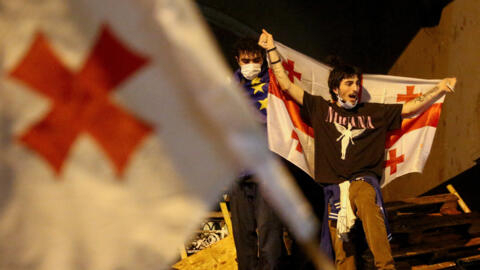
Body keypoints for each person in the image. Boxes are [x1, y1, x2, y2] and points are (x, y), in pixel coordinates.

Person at [258, 29, 456, 270]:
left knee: (366, 201)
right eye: (348, 83)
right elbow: (287, 86)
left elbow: (407, 108)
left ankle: (386, 266)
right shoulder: (320, 108)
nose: (354, 88)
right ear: (335, 88)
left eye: (356, 83)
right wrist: (271, 50)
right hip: (334, 189)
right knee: (343, 249)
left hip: (362, 180)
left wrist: (439, 89)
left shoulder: (372, 111)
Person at [229, 37, 287, 270]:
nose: (251, 64)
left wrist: (272, 49)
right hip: (237, 172)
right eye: (246, 60)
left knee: (269, 241)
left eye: (256, 59)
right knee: (244, 242)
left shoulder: (274, 82)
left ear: (262, 59)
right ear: (237, 60)